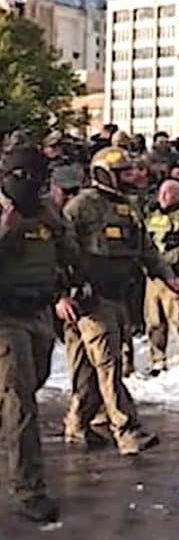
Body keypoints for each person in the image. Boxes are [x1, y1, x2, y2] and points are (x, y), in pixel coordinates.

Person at [63, 146, 175, 455]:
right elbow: (60, 249)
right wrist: (64, 292)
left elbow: (146, 247)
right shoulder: (81, 206)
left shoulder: (129, 207)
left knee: (90, 367)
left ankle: (77, 424)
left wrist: (166, 274)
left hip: (117, 295)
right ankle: (127, 430)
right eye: (123, 172)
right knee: (108, 365)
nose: (131, 176)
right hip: (89, 298)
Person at [0, 147, 80, 522]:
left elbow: (69, 253)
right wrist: (6, 228)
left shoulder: (47, 211)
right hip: (5, 317)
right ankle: (30, 489)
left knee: (32, 386)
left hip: (39, 313)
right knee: (20, 403)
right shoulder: (4, 212)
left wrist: (74, 279)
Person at [143, 179, 179, 374]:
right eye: (162, 192)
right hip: (153, 279)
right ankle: (157, 360)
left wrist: (162, 262)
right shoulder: (151, 216)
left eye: (170, 193)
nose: (164, 197)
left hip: (176, 275)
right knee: (154, 321)